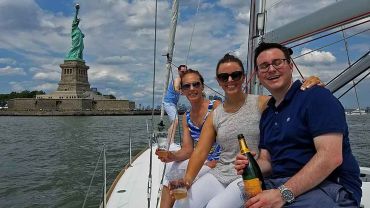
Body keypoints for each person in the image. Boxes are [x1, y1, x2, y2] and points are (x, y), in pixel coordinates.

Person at [178, 54, 324, 208]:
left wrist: (310, 83)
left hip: (249, 175)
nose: (230, 80)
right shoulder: (215, 115)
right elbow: (200, 152)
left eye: (235, 75)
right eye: (224, 77)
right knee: (182, 203)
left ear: (243, 77)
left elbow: (291, 99)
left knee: (215, 206)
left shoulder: (262, 103)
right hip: (220, 173)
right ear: (218, 81)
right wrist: (187, 180)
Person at [235, 42, 362, 207]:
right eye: (264, 66)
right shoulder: (268, 114)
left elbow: (331, 157)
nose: (271, 69)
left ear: (290, 65)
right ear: (258, 75)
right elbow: (268, 161)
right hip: (281, 185)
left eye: (277, 62)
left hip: (328, 188)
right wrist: (251, 163)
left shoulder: (316, 97)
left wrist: (282, 194)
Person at [156, 69, 221, 208]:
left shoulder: (215, 107)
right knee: (171, 177)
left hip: (218, 162)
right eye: (187, 86)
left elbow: (231, 140)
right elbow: (187, 150)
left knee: (181, 182)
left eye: (196, 84)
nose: (192, 89)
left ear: (202, 86)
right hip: (202, 159)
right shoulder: (187, 117)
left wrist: (216, 162)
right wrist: (171, 155)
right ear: (182, 91)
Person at [162, 64, 187, 143]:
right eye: (182, 71)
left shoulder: (182, 81)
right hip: (169, 103)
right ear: (179, 71)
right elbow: (176, 88)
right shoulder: (177, 79)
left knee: (174, 122)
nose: (183, 73)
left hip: (172, 104)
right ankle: (171, 141)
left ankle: (168, 140)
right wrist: (182, 91)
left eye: (185, 71)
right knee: (175, 122)